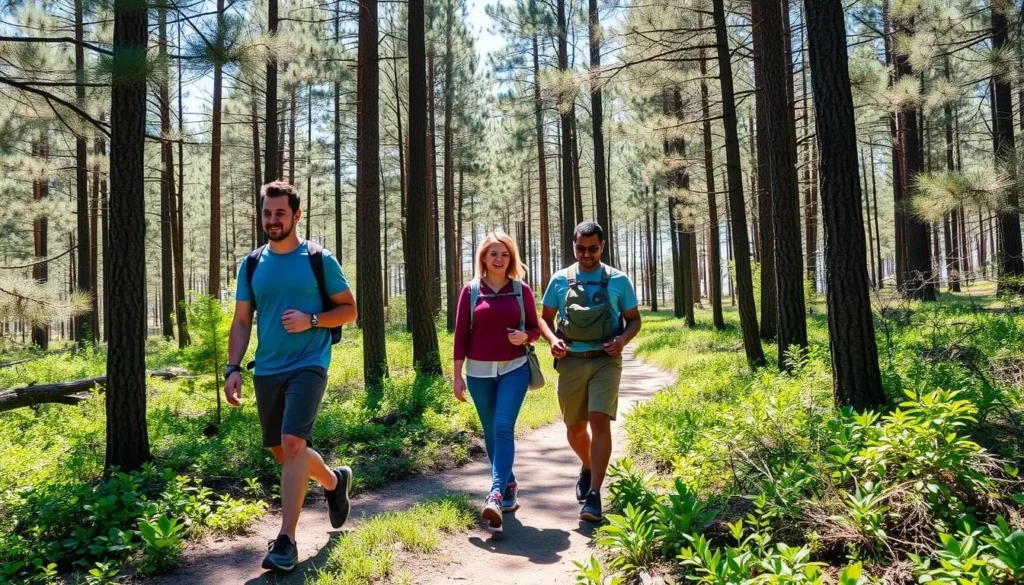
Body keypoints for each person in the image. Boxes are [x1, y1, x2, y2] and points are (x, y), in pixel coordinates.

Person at [224, 181, 358, 572]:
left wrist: (312, 319)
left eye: (280, 213)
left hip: (309, 362)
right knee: (283, 453)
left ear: (296, 215)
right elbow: (242, 320)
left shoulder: (318, 258)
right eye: (267, 213)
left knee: (293, 442)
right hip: (267, 368)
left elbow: (349, 309)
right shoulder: (251, 264)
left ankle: (286, 541)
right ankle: (334, 481)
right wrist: (233, 367)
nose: (273, 220)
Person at [539, 221, 641, 522]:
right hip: (570, 360)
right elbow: (544, 318)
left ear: (602, 246)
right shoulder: (559, 280)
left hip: (605, 361)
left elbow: (634, 320)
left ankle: (595, 495)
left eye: (593, 249)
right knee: (574, 427)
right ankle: (588, 464)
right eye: (581, 249)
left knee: (599, 420)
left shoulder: (619, 280)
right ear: (573, 246)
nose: (586, 254)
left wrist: (622, 340)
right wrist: (552, 339)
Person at [453, 231, 541, 530]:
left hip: (515, 368)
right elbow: (461, 336)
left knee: (503, 427)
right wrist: (456, 377)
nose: (499, 259)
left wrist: (525, 336)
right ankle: (510, 484)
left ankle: (494, 493)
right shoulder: (471, 291)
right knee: (491, 432)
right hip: (478, 374)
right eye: (493, 254)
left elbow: (535, 328)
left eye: (504, 254)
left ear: (511, 257)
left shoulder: (522, 290)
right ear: (483, 258)